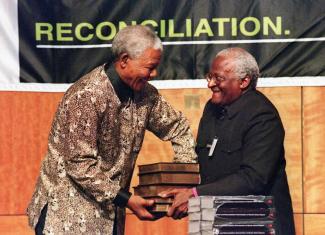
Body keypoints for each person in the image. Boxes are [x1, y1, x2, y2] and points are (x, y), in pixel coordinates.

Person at [27, 25, 197, 235]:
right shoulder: (87, 96)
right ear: (124, 60)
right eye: (150, 67)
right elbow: (80, 165)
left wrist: (181, 179)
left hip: (111, 217)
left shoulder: (146, 96)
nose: (154, 74)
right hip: (65, 219)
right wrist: (127, 200)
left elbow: (177, 127)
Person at [159, 47, 295, 235]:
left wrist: (195, 195)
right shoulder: (211, 108)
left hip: (254, 222)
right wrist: (181, 192)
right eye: (209, 76)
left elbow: (254, 178)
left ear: (244, 81)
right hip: (210, 219)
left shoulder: (262, 115)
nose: (211, 84)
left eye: (219, 78)